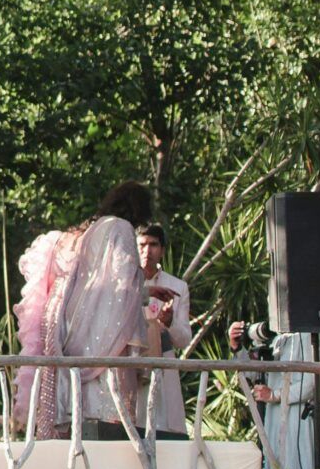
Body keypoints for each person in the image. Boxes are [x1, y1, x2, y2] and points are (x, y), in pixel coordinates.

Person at [15, 182, 155, 439]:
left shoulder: (93, 228)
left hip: (74, 317)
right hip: (105, 322)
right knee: (108, 393)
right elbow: (124, 283)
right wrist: (131, 330)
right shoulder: (121, 229)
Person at [138, 223, 194, 438]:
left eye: (153, 245)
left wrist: (169, 323)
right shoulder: (124, 285)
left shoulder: (178, 287)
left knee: (165, 431)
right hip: (133, 363)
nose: (147, 251)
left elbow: (183, 340)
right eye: (142, 245)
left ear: (162, 249)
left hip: (164, 362)